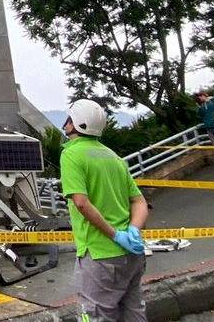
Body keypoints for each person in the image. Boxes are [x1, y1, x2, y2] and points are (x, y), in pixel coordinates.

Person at [61, 99, 149, 322]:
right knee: (133, 310)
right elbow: (139, 202)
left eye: (69, 119)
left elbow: (81, 202)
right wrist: (133, 232)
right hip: (133, 254)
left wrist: (114, 235)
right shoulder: (114, 157)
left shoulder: (71, 154)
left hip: (100, 254)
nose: (66, 124)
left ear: (75, 124)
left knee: (96, 314)